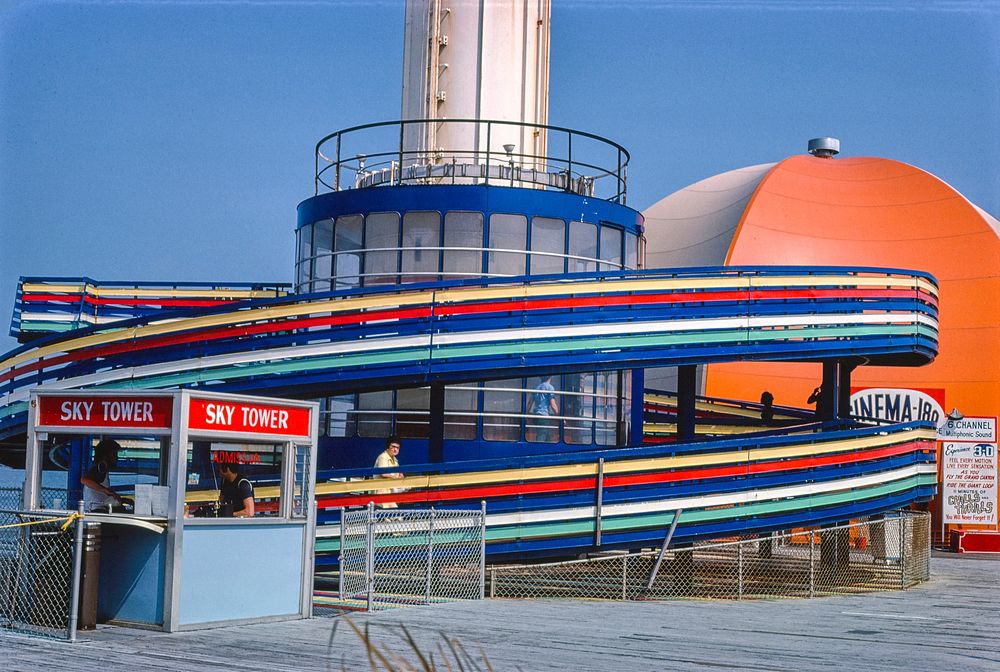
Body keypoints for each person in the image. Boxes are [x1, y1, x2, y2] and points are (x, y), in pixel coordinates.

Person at [81, 438, 127, 512]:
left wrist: (111, 493)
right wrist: (105, 490)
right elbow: (85, 480)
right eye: (114, 454)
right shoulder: (100, 468)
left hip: (96, 509)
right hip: (95, 510)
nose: (116, 458)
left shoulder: (103, 469)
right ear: (106, 456)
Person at [373, 435, 404, 509]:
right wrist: (396, 477)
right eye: (393, 447)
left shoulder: (395, 460)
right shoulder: (383, 457)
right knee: (390, 512)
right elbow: (383, 473)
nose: (395, 449)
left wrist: (400, 475)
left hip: (391, 490)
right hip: (382, 490)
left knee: (395, 514)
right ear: (388, 446)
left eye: (397, 448)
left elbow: (401, 474)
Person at [528, 375, 559, 441]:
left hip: (536, 415)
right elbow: (553, 405)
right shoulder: (550, 388)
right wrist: (559, 416)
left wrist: (525, 414)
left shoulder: (536, 387)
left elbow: (530, 403)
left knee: (547, 437)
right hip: (544, 416)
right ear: (550, 377)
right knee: (541, 438)